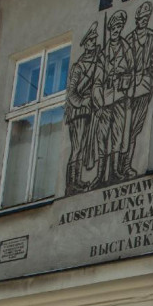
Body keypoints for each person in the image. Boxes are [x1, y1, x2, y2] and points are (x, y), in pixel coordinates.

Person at [114, 2, 153, 178]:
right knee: (125, 130)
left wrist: (152, 82)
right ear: (137, 19)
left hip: (145, 87)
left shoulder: (152, 36)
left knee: (136, 128)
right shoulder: (129, 40)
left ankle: (126, 165)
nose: (143, 21)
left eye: (146, 18)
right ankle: (122, 166)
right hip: (129, 89)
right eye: (140, 18)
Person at [62, 19, 105, 193]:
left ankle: (78, 179)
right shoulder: (79, 67)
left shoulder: (97, 61)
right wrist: (82, 102)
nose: (94, 44)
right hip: (77, 112)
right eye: (91, 42)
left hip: (89, 111)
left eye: (95, 41)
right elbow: (72, 92)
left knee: (86, 145)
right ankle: (72, 182)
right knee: (77, 147)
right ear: (86, 44)